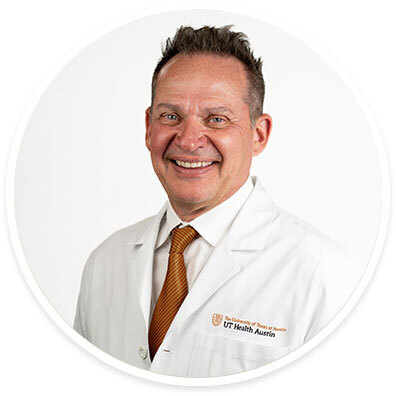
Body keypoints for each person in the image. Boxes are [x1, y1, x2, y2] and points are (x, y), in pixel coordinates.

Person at [74, 25, 362, 377]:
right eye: (171, 116)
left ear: (259, 135)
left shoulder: (324, 276)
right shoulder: (105, 262)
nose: (190, 140)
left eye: (217, 119)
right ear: (149, 128)